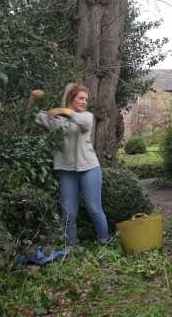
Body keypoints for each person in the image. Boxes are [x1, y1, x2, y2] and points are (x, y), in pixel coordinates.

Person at [31, 83, 109, 252]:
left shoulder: (87, 117)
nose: (84, 102)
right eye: (81, 98)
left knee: (94, 208)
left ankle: (105, 242)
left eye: (86, 99)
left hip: (89, 168)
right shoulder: (57, 121)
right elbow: (35, 116)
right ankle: (70, 248)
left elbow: (81, 121)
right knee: (68, 213)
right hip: (67, 171)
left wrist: (61, 110)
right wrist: (33, 100)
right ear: (71, 99)